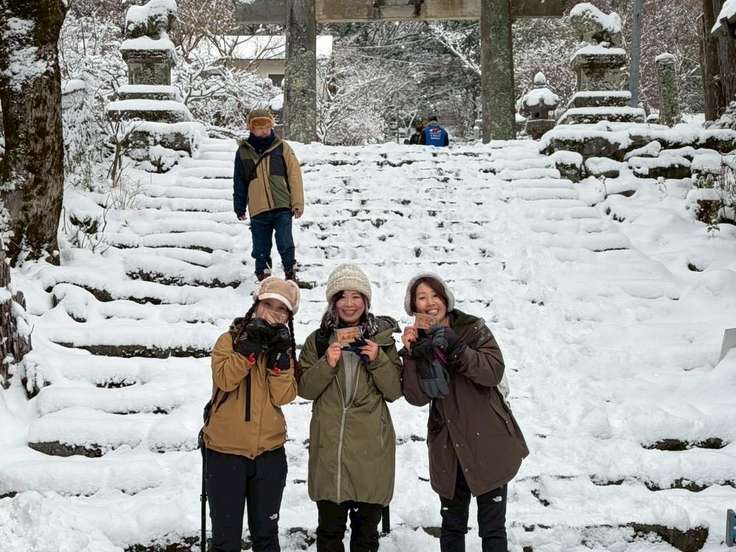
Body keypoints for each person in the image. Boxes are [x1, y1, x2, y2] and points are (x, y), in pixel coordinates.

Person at [400, 273, 528, 552]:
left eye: (435, 295)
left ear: (446, 299)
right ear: (414, 306)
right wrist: (410, 354)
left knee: (493, 528)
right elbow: (416, 397)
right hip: (449, 446)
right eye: (422, 298)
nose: (430, 303)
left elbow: (493, 371)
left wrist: (457, 347)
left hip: (488, 440)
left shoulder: (473, 329)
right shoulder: (419, 342)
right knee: (452, 527)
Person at [297, 264, 402, 552]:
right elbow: (305, 389)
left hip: (371, 451)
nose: (349, 303)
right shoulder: (318, 340)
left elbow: (394, 391)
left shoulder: (382, 341)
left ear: (366, 301)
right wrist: (327, 363)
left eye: (356, 296)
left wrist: (378, 359)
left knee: (365, 537)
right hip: (330, 451)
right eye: (342, 296)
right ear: (333, 302)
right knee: (329, 534)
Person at [200, 276, 301, 552]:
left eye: (281, 309)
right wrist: (247, 351)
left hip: (269, 453)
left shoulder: (283, 347)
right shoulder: (229, 341)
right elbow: (225, 380)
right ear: (256, 305)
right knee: (225, 539)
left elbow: (284, 396)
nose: (273, 313)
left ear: (288, 316)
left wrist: (280, 363)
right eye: (268, 304)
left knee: (266, 536)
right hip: (225, 453)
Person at [233, 108, 305, 282]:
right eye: (260, 127)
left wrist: (297, 202)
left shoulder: (282, 147)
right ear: (251, 128)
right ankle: (263, 276)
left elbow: (294, 175)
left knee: (285, 241)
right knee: (261, 247)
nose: (264, 130)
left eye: (267, 126)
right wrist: (239, 206)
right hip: (258, 207)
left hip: (282, 204)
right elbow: (239, 181)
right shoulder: (243, 152)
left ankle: (290, 272)